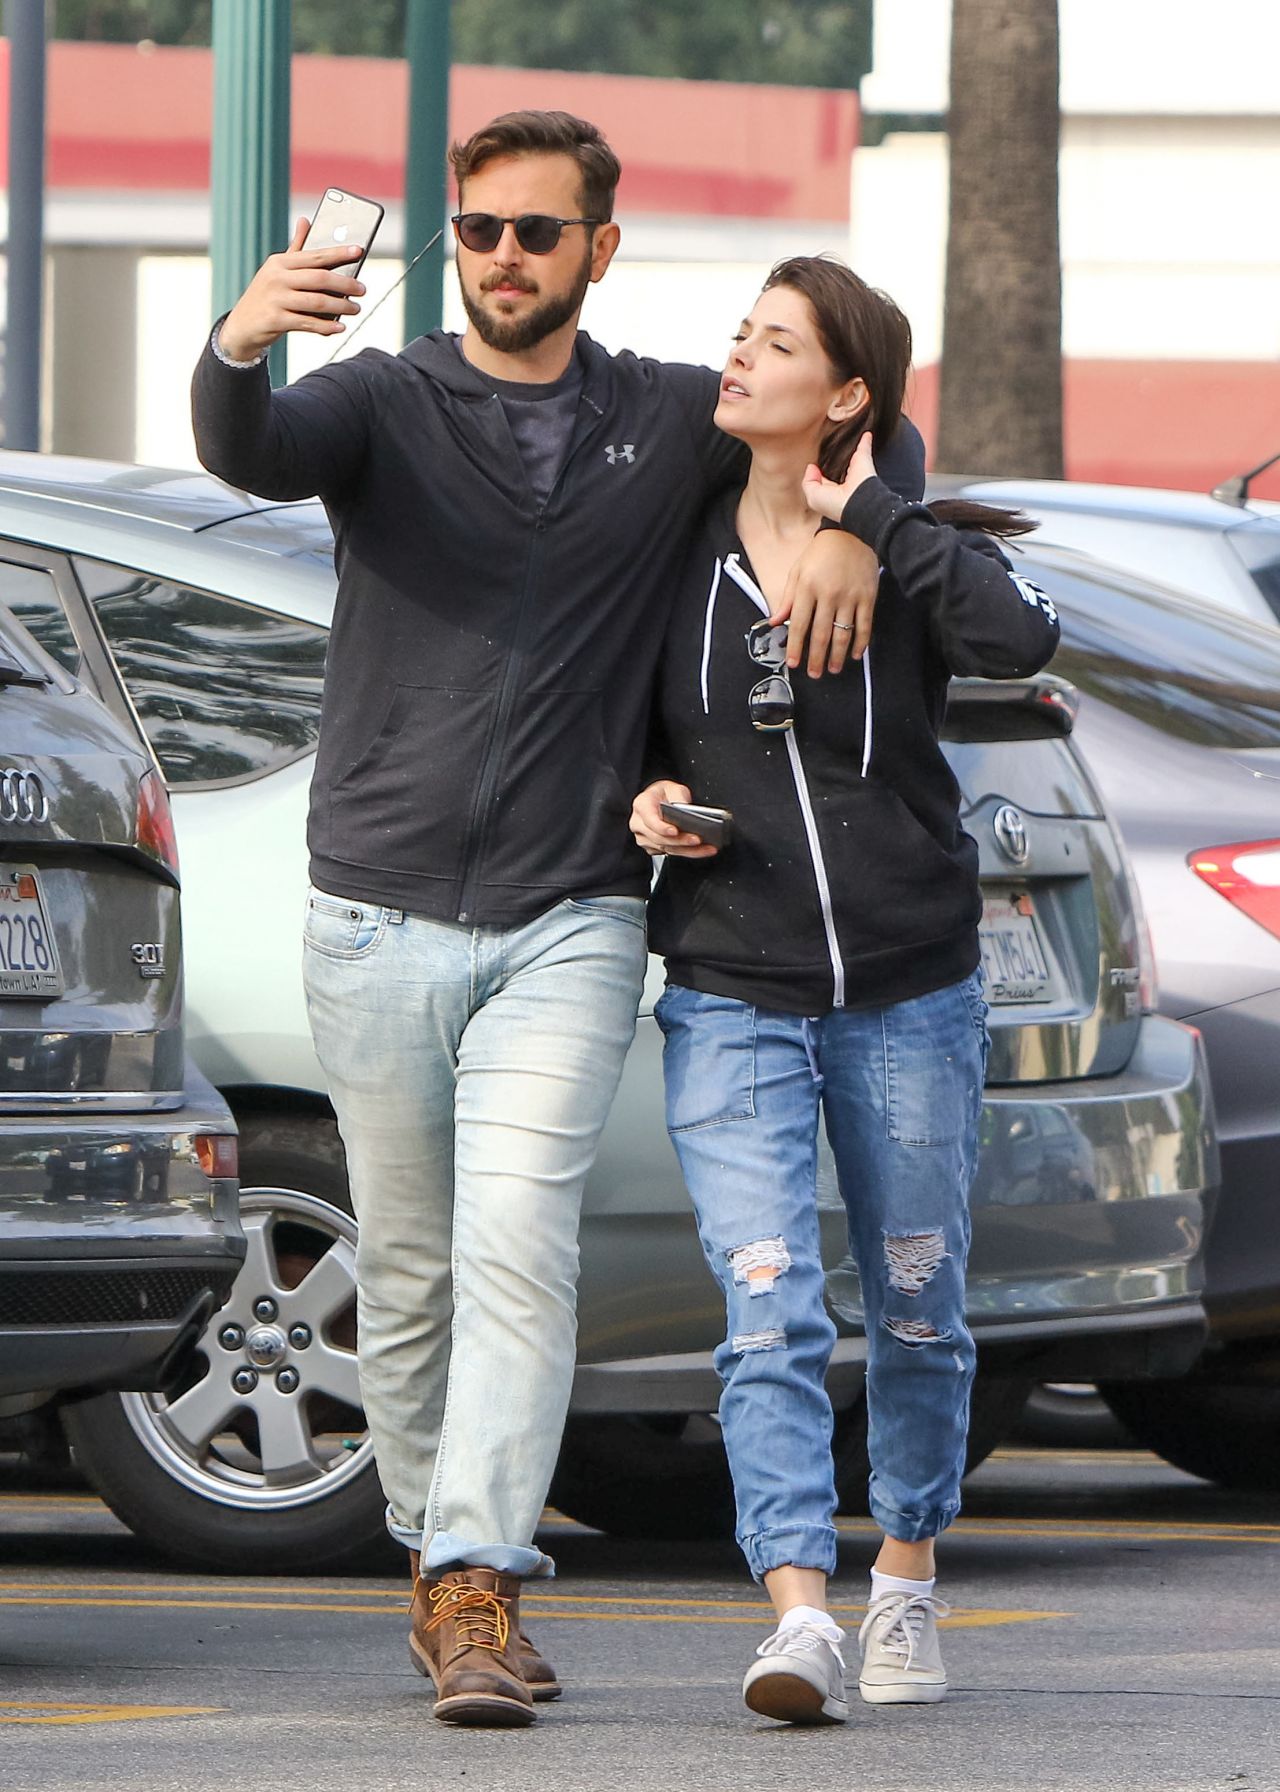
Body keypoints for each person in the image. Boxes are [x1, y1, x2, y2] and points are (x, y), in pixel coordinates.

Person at [191, 112, 926, 1727]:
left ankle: (473, 1581)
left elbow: (857, 405)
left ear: (601, 246)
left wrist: (866, 538)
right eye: (475, 233)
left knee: (520, 1246)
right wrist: (242, 337)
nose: (502, 259)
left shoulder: (664, 414)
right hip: (375, 909)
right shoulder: (384, 403)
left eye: (536, 233)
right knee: (410, 1275)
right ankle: (434, 1559)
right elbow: (245, 448)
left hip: (574, 910)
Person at [629, 255, 1059, 1726]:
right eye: (739, 336)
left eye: (776, 344)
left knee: (923, 1308)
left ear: (851, 393)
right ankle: (798, 1613)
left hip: (909, 990)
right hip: (729, 988)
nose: (737, 360)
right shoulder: (672, 550)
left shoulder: (900, 544)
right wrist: (648, 803)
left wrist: (872, 520)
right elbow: (618, 732)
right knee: (769, 1313)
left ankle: (909, 1583)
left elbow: (1020, 643)